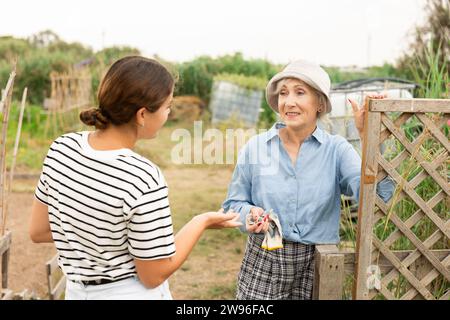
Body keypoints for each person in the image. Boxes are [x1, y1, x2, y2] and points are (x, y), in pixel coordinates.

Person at [29, 56, 241, 300]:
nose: (169, 113)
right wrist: (200, 222)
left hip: (76, 292)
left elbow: (39, 230)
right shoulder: (142, 177)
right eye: (167, 106)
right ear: (142, 114)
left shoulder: (61, 148)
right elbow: (154, 274)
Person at [222, 59, 394, 300]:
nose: (288, 101)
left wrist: (371, 138)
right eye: (283, 93)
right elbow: (232, 205)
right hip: (264, 258)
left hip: (319, 264)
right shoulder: (256, 147)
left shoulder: (337, 149)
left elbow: (380, 197)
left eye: (299, 92)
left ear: (320, 104)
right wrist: (248, 215)